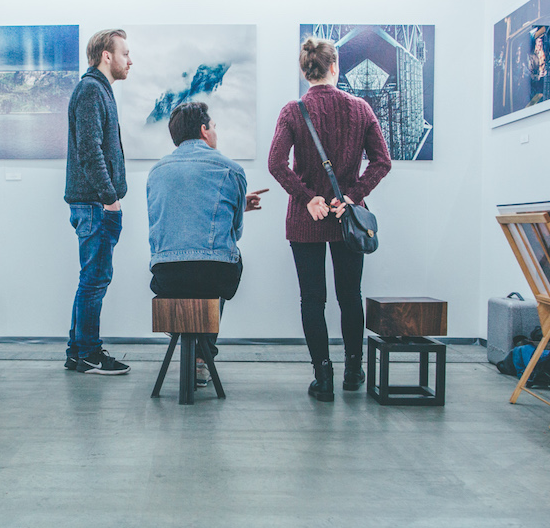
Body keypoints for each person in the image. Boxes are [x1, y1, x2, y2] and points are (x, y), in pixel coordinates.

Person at [268, 38, 392, 402]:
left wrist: (308, 199)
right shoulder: (360, 108)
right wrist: (351, 197)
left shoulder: (293, 111)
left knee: (312, 299)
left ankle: (322, 377)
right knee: (349, 296)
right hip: (346, 217)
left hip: (307, 218)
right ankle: (353, 370)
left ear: (305, 70)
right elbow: (381, 161)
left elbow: (277, 164)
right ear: (335, 67)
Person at [147, 102, 265, 381]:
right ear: (203, 130)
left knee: (194, 267)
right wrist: (237, 206)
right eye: (214, 127)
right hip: (214, 275)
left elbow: (162, 222)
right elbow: (234, 232)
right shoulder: (231, 170)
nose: (215, 132)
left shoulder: (157, 172)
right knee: (220, 259)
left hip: (167, 276)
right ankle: (203, 355)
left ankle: (192, 344)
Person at [64, 29, 132, 376]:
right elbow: (90, 151)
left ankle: (78, 351)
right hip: (95, 204)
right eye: (125, 53)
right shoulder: (91, 90)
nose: (129, 61)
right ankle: (89, 353)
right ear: (107, 55)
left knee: (90, 278)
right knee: (95, 279)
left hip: (94, 202)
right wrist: (110, 200)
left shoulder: (97, 90)